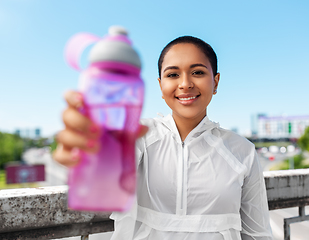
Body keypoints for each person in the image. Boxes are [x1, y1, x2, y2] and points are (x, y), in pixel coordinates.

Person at [53, 36, 273, 240]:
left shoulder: (242, 150)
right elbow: (104, 171)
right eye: (173, 74)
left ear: (215, 82)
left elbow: (258, 234)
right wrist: (87, 147)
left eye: (197, 72)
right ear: (161, 85)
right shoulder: (139, 135)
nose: (185, 84)